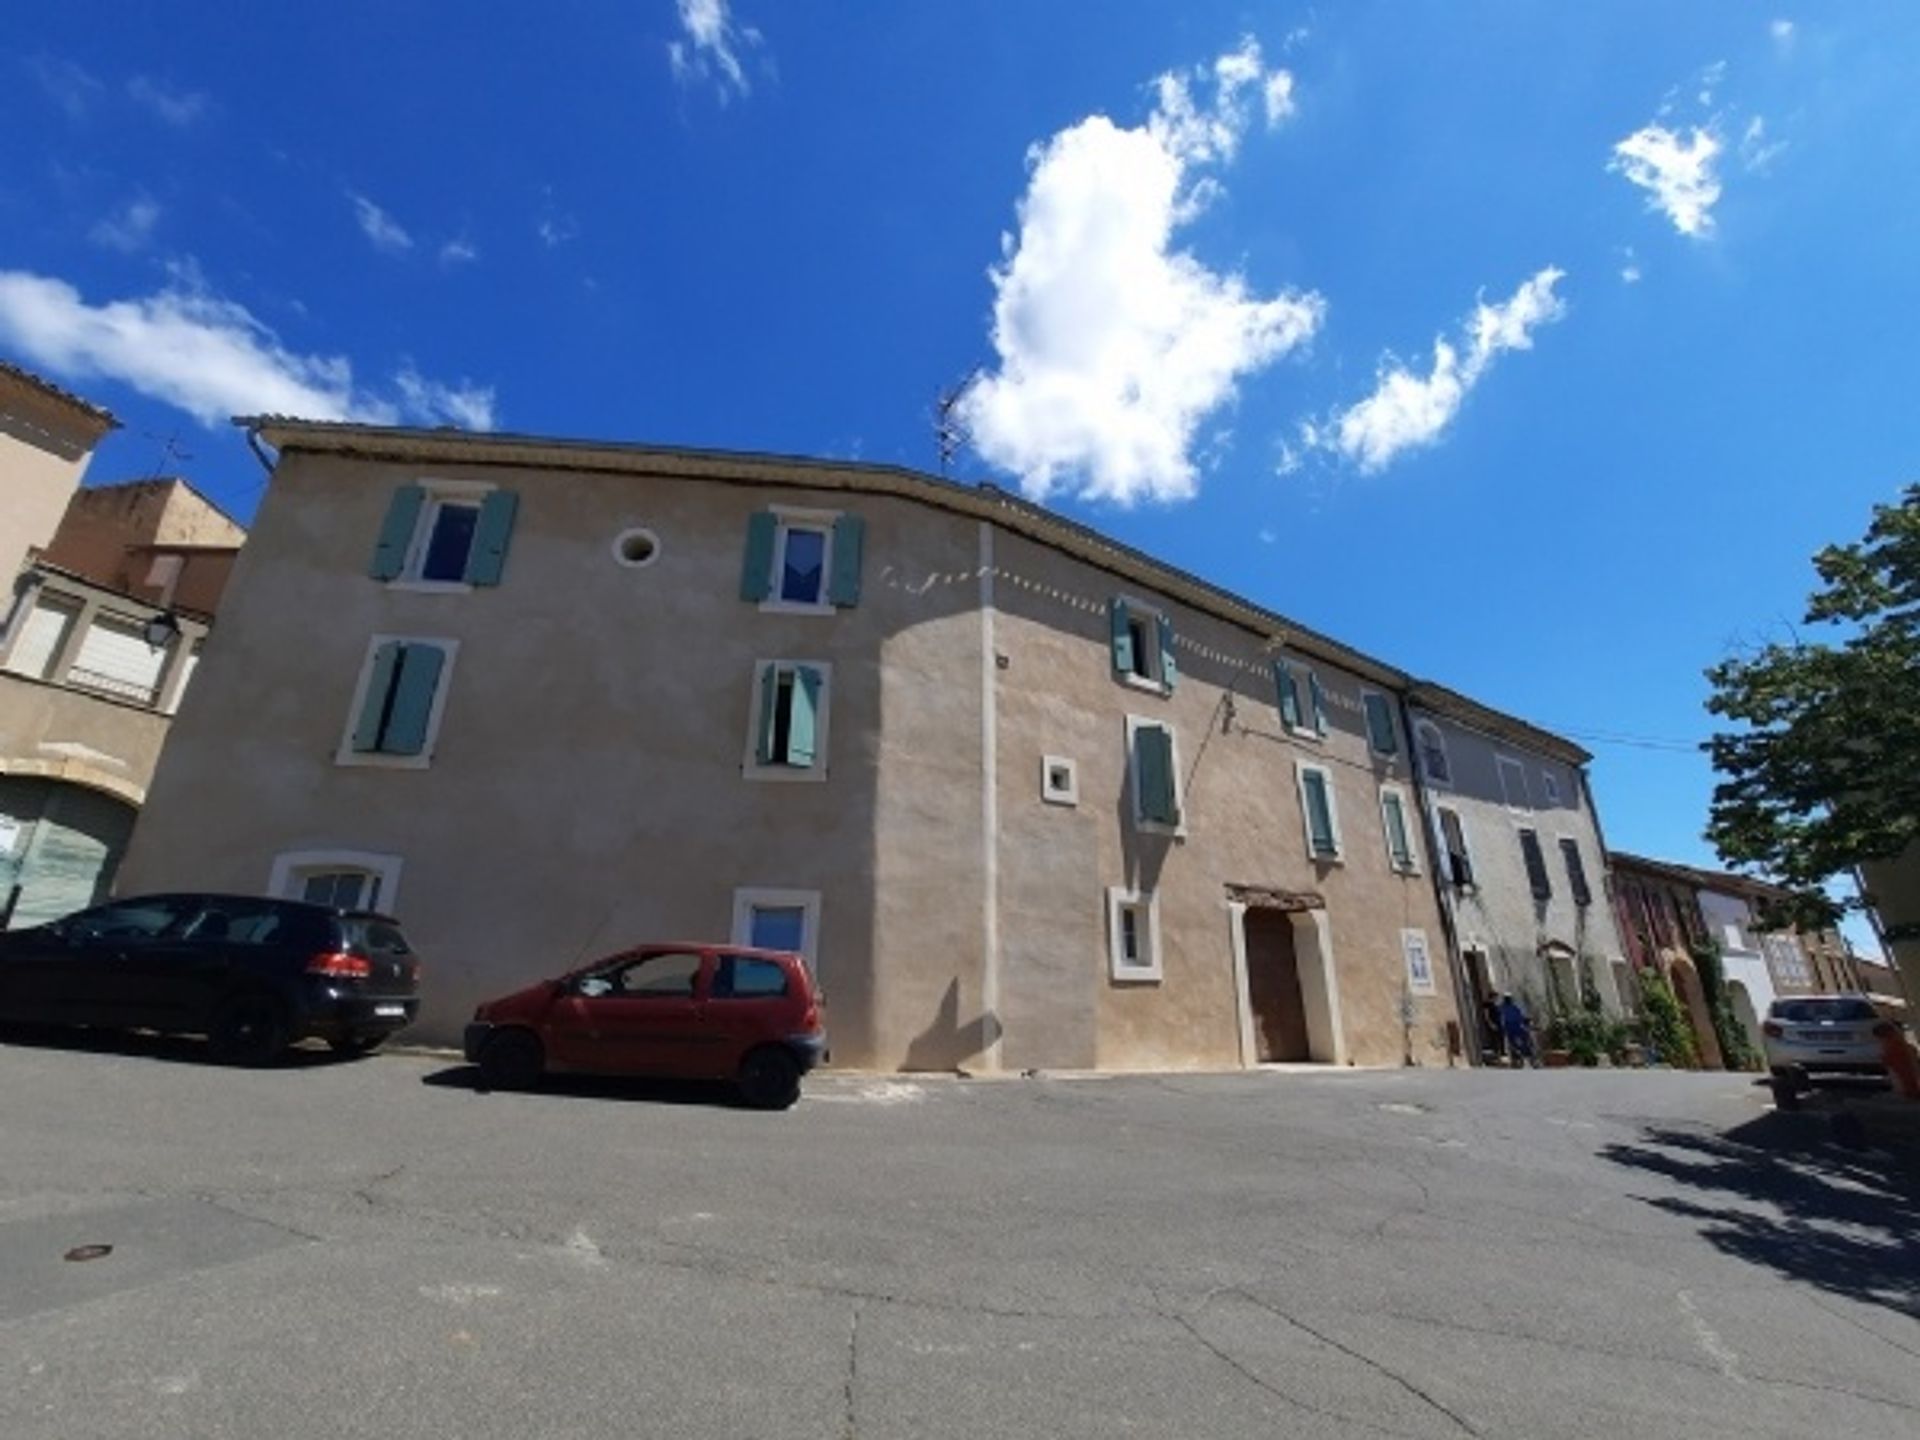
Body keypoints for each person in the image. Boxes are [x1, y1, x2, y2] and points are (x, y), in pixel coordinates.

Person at [1498, 994, 1535, 1067]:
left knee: (1514, 1042)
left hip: (1509, 1029)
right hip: (1517, 1028)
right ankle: (1527, 1054)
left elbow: (1501, 1019)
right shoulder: (1514, 1008)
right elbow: (1520, 1017)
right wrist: (1527, 1021)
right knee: (1525, 1040)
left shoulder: (1502, 1008)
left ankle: (1519, 1055)